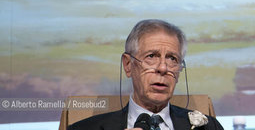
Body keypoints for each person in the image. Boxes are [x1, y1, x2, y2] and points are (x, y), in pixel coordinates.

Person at [68, 19, 224, 130]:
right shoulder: (84, 128)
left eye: (172, 59)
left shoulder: (209, 127)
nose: (163, 68)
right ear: (128, 65)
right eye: (151, 56)